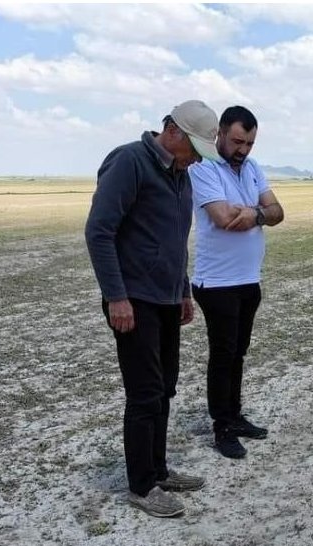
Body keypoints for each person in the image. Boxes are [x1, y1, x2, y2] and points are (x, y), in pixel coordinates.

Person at [84, 100, 223, 517]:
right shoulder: (130, 161)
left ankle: (159, 469)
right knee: (144, 393)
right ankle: (142, 486)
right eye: (195, 148)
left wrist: (183, 291)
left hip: (166, 299)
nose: (198, 158)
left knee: (165, 388)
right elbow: (99, 232)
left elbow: (176, 240)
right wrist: (116, 296)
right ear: (173, 131)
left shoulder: (181, 174)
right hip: (134, 301)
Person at [187, 105, 286, 459]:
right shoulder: (203, 168)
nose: (243, 149)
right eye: (237, 141)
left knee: (238, 353)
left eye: (249, 143)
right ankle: (222, 426)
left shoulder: (253, 168)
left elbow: (278, 212)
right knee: (223, 354)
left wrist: (254, 214)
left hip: (248, 280)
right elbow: (223, 217)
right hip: (217, 283)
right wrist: (259, 213)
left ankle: (234, 414)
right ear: (220, 134)